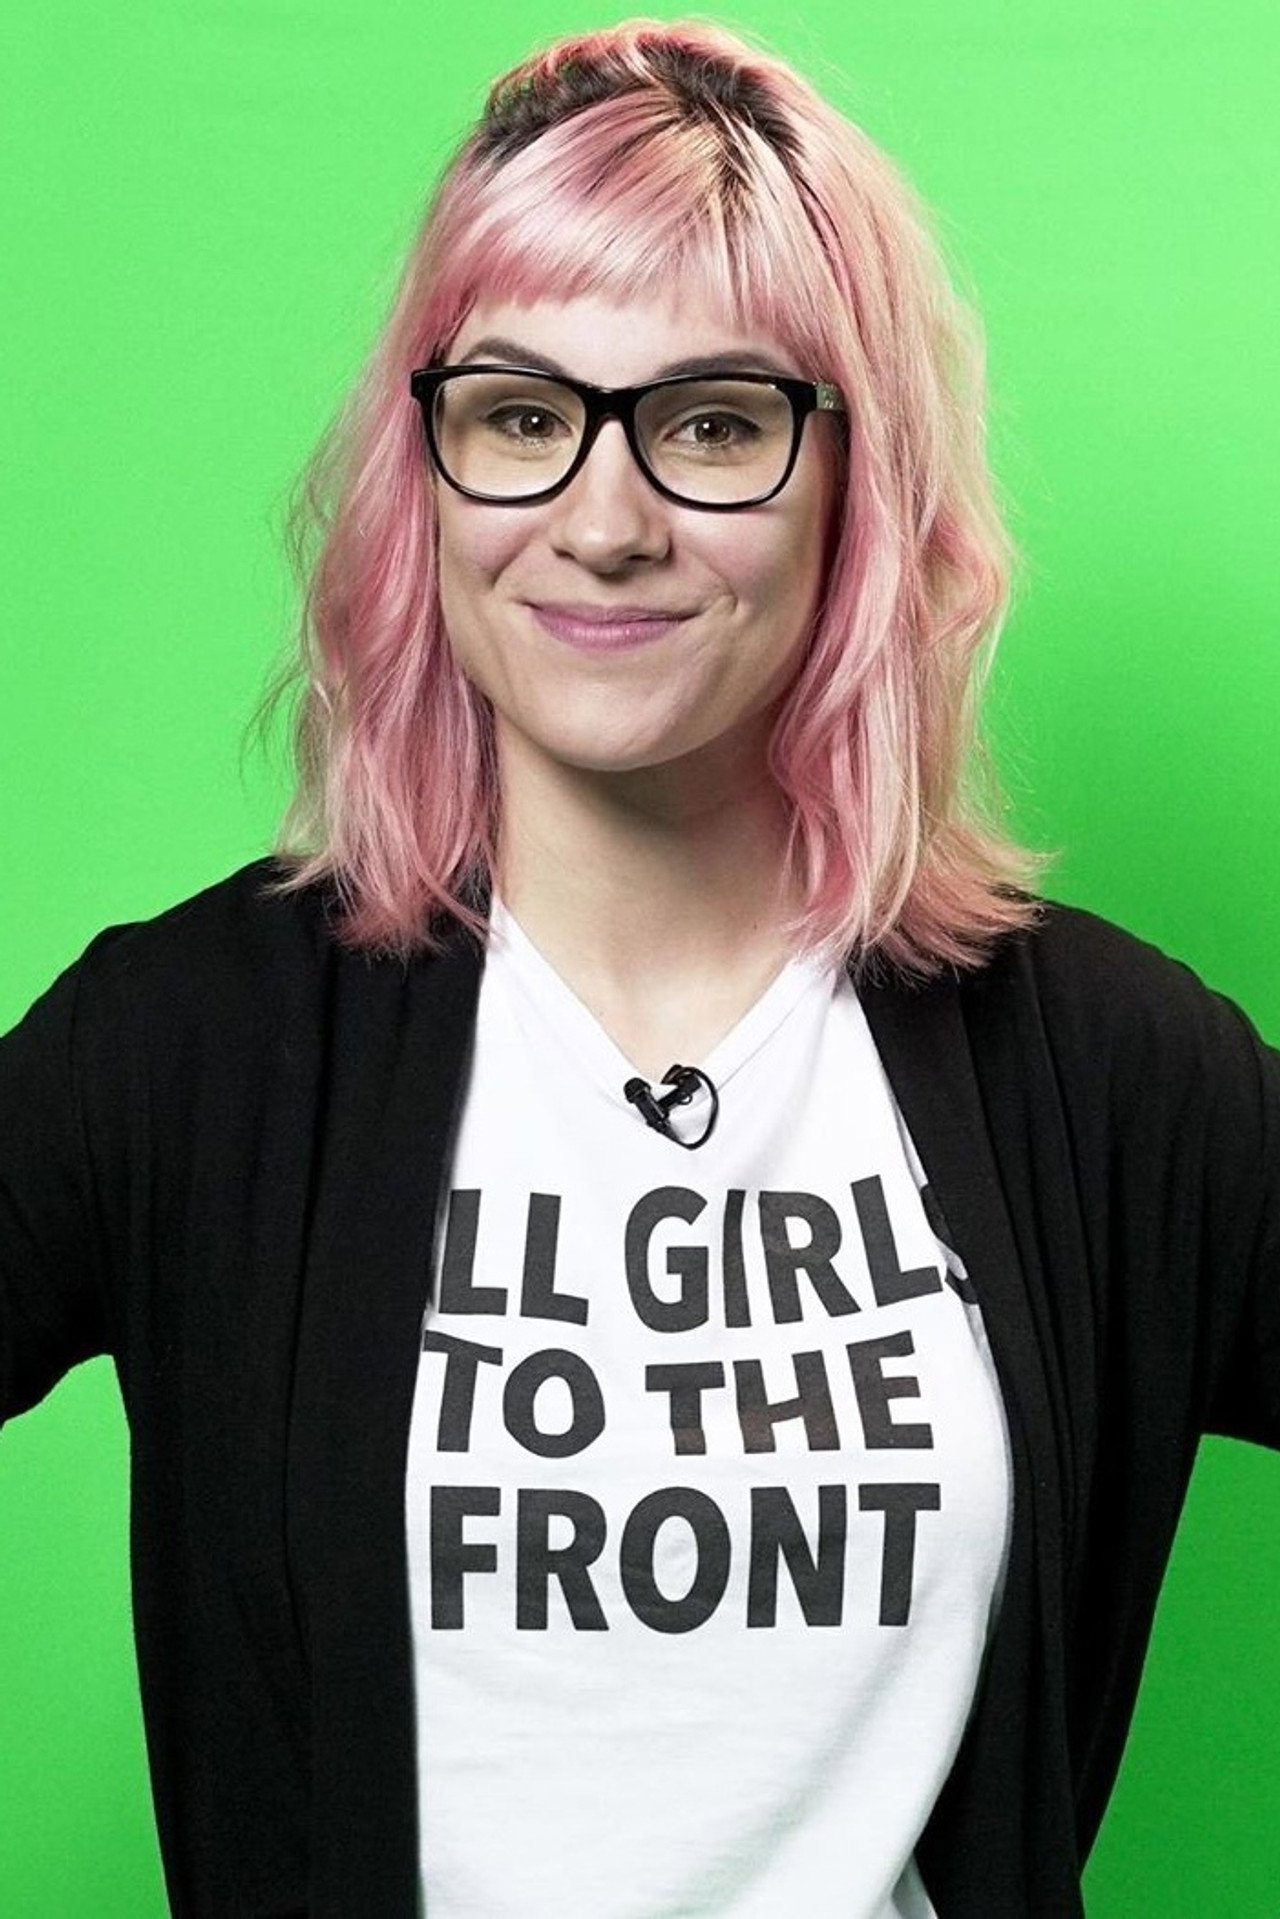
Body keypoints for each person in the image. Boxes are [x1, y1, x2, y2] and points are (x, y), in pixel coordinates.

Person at [1, 16, 1276, 1918]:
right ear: (427, 469)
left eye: (714, 424)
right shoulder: (188, 1050)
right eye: (523, 416)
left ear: (854, 486)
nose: (604, 525)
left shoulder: (1105, 1072)